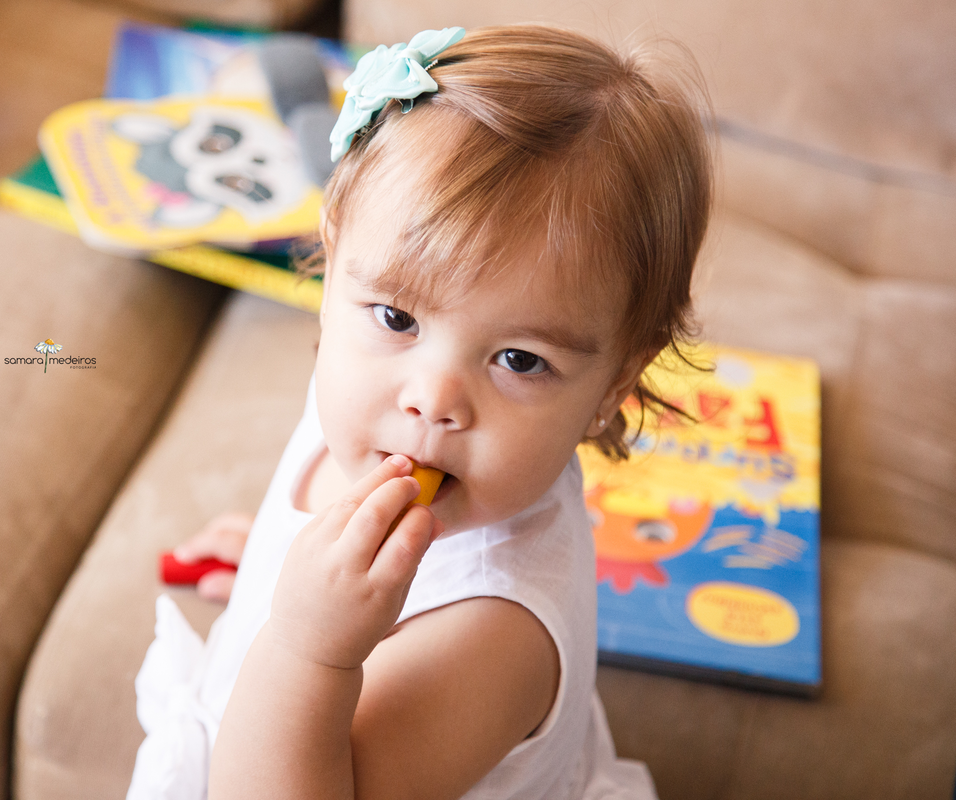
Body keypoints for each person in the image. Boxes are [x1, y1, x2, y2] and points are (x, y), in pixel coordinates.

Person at [127, 23, 711, 800]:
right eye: (399, 319)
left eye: (520, 360)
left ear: (611, 387)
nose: (431, 399)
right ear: (332, 269)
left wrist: (307, 644)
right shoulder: (367, 397)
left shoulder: (495, 631)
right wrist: (276, 555)